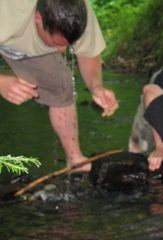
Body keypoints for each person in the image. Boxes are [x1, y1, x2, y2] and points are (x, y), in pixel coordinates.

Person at [0, 0, 118, 172]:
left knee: (61, 83)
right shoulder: (7, 10)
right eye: (58, 43)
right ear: (38, 18)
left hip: (26, 42)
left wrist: (96, 86)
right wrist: (2, 83)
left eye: (69, 44)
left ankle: (74, 160)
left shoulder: (77, 12)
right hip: (10, 28)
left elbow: (87, 53)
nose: (63, 51)